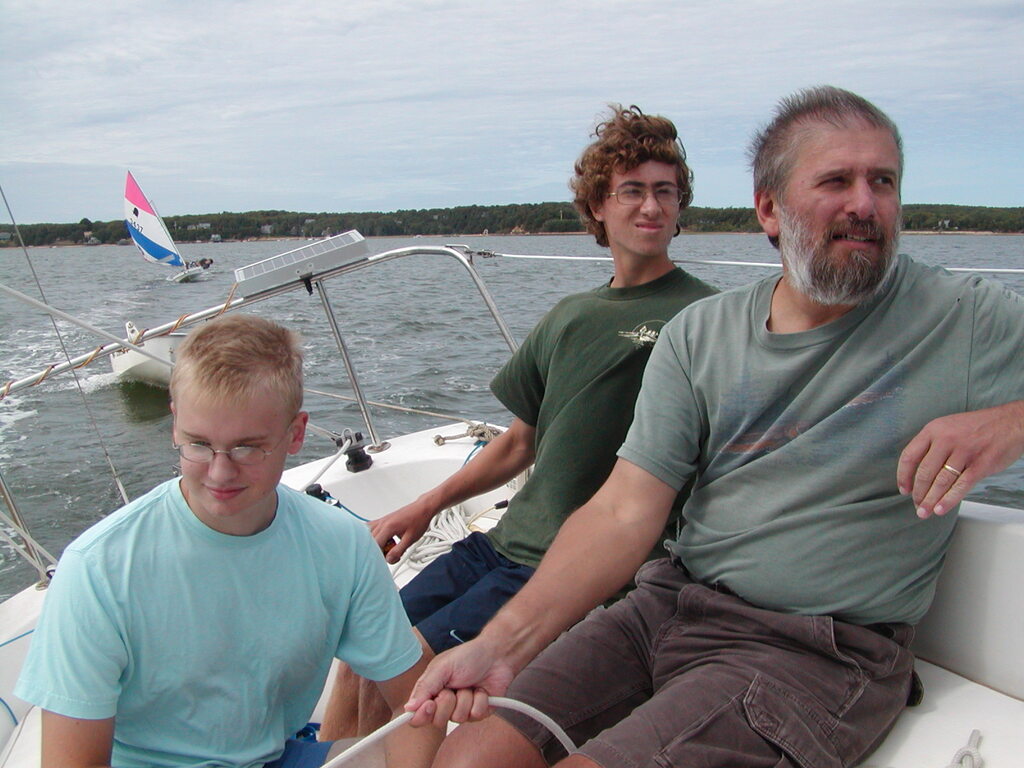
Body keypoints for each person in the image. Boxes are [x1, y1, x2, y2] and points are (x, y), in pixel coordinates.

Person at [404, 86, 1024, 768]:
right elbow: (621, 511)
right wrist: (503, 643)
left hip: (816, 650)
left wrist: (1010, 422)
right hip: (668, 605)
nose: (865, 204)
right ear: (769, 209)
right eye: (836, 181)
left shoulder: (964, 319)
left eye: (884, 181)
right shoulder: (702, 333)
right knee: (467, 759)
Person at [319, 105, 718, 739]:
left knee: (408, 670)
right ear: (598, 207)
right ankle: (328, 757)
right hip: (499, 543)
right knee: (363, 646)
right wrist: (424, 507)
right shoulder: (569, 315)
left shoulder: (704, 317)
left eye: (665, 192)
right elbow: (521, 441)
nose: (651, 207)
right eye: (633, 191)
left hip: (564, 565)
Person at [15, 314, 442, 768]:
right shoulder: (98, 569)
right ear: (175, 423)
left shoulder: (344, 547)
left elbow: (417, 709)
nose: (220, 472)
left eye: (247, 447)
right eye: (198, 444)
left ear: (295, 434)